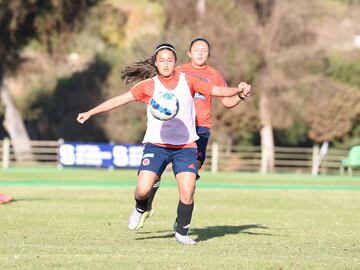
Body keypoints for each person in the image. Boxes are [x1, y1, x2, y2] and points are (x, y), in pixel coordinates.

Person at [77, 43, 250, 245]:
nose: (166, 64)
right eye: (162, 60)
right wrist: (90, 112)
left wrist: (238, 90)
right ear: (156, 63)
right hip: (157, 145)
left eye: (170, 60)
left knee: (188, 191)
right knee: (142, 190)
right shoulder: (148, 86)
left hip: (186, 146)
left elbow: (217, 90)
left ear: (175, 62)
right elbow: (118, 100)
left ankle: (182, 233)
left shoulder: (189, 80)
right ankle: (142, 207)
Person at [142, 37, 249, 227]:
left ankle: (180, 221)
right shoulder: (179, 71)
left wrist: (239, 95)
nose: (200, 53)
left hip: (201, 129)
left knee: (190, 177)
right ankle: (147, 201)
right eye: (196, 50)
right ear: (189, 53)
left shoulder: (214, 75)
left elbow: (227, 102)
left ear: (208, 54)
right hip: (177, 127)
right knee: (156, 170)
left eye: (204, 50)